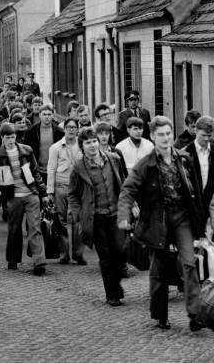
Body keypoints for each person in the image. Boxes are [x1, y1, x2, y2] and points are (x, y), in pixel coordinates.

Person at [117, 116, 205, 331]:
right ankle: (160, 314)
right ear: (153, 136)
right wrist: (123, 216)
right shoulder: (145, 164)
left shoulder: (184, 159)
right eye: (161, 135)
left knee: (189, 262)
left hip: (182, 217)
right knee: (159, 269)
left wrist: (201, 223)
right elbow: (127, 190)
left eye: (168, 134)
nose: (165, 138)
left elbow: (197, 191)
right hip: (158, 220)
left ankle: (195, 314)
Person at [0, 122, 49, 275]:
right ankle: (13, 259)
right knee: (14, 229)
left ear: (16, 137)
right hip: (13, 198)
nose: (11, 140)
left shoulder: (26, 151)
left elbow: (35, 172)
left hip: (31, 194)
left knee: (35, 228)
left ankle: (39, 262)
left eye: (13, 137)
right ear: (2, 138)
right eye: (7, 138)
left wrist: (43, 193)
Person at [69, 127, 127, 304]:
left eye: (94, 141)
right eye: (88, 143)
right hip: (96, 217)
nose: (92, 145)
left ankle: (115, 284)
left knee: (120, 251)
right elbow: (73, 194)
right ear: (82, 146)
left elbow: (125, 183)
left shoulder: (114, 159)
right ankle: (112, 294)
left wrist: (131, 205)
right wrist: (79, 214)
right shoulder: (79, 168)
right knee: (106, 256)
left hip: (116, 214)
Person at [46, 118, 85, 265]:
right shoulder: (56, 147)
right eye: (68, 127)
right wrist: (50, 191)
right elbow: (51, 169)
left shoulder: (82, 147)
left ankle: (78, 253)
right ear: (64, 129)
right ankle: (64, 254)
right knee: (61, 221)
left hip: (78, 189)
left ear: (78, 129)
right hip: (60, 187)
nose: (71, 130)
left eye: (74, 127)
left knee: (78, 221)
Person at [182, 115, 214, 236]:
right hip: (191, 207)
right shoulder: (185, 153)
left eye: (209, 136)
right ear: (196, 131)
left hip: (211, 205)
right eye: (203, 135)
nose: (207, 139)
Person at [24, 104, 65, 184]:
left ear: (53, 116)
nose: (47, 117)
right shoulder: (31, 132)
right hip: (38, 171)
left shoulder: (60, 132)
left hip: (55, 171)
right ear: (39, 115)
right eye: (44, 114)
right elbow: (27, 153)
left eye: (49, 114)